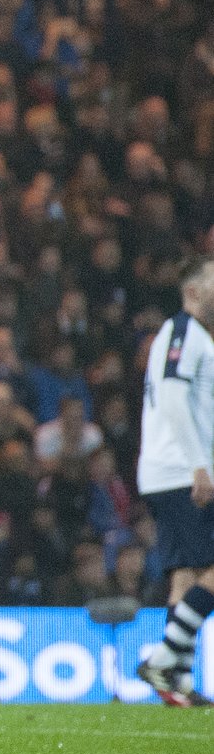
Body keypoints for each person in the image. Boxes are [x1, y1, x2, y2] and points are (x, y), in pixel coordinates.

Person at [135, 257, 214, 706]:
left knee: (186, 574)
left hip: (171, 470)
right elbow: (172, 396)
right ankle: (165, 658)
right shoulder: (184, 331)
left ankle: (175, 682)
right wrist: (198, 465)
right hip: (180, 472)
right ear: (195, 291)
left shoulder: (196, 337)